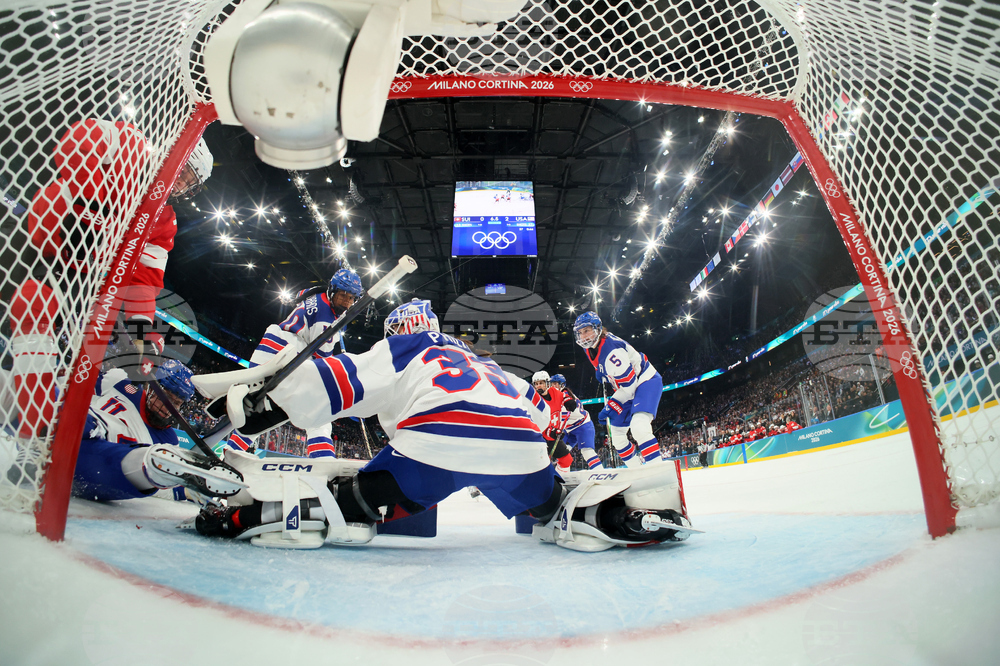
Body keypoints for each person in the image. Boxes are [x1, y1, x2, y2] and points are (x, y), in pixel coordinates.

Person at [192, 299, 692, 551]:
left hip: (433, 446)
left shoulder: (404, 349)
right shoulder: (485, 364)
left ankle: (252, 517)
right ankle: (604, 518)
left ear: (401, 329)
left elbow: (328, 385)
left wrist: (266, 403)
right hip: (518, 449)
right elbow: (544, 417)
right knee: (548, 506)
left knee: (356, 501)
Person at [7, 119, 213, 439]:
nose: (181, 185)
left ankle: (36, 425)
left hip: (82, 282)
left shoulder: (163, 219)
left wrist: (146, 337)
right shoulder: (130, 145)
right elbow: (77, 141)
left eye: (190, 184)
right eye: (186, 173)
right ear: (176, 154)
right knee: (33, 303)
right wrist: (98, 204)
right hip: (35, 244)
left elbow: (145, 282)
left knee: (84, 343)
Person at [224, 268, 364, 458]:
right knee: (320, 409)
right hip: (288, 356)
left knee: (259, 411)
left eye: (351, 298)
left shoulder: (317, 293)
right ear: (332, 291)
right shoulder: (327, 319)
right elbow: (322, 357)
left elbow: (300, 296)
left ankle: (231, 451)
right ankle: (323, 460)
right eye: (343, 296)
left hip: (272, 349)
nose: (347, 302)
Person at [69, 359, 243, 502]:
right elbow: (77, 384)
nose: (167, 408)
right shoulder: (120, 383)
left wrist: (183, 493)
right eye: (166, 397)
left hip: (94, 465)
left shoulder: (169, 442)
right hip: (78, 427)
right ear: (151, 388)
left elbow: (152, 484)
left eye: (176, 403)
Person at [573, 311, 664, 467]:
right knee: (617, 438)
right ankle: (637, 471)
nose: (583, 336)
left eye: (586, 330)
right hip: (626, 387)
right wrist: (600, 371)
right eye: (580, 332)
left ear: (598, 329)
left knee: (639, 427)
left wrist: (612, 404)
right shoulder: (589, 346)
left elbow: (630, 387)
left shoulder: (612, 352)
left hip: (644, 381)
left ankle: (658, 470)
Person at [549, 373, 603, 470]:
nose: (553, 386)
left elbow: (564, 415)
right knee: (562, 454)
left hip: (582, 426)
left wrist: (557, 429)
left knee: (587, 452)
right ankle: (562, 477)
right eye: (552, 384)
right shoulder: (555, 396)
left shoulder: (564, 395)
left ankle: (600, 472)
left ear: (562, 385)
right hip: (569, 428)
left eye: (556, 384)